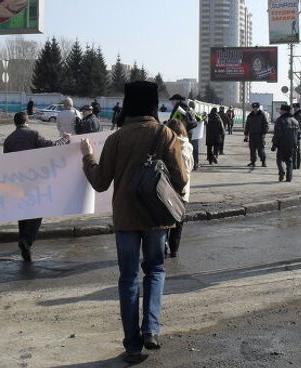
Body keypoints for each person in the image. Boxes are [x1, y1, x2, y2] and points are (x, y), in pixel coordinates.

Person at [81, 81, 187, 363]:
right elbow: (182, 179)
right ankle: (150, 329)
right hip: (156, 217)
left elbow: (101, 182)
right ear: (153, 105)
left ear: (128, 104)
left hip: (126, 218)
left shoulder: (117, 138)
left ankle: (131, 345)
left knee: (128, 279)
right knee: (155, 270)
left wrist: (87, 158)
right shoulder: (165, 134)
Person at [3, 112, 71, 262]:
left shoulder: (8, 140)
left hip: (17, 181)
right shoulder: (33, 134)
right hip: (35, 179)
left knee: (23, 212)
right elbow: (52, 146)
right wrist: (65, 139)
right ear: (27, 121)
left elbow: (5, 164)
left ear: (15, 123)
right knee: (38, 210)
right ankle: (26, 240)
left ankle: (23, 240)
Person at [165, 119, 193, 258]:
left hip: (167, 187)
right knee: (179, 220)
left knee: (164, 219)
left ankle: (162, 247)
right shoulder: (188, 145)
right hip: (183, 188)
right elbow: (190, 167)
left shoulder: (167, 144)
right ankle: (174, 249)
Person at [272, 104, 301, 182]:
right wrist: (296, 142)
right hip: (292, 145)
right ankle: (289, 178)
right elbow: (299, 134)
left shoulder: (280, 120)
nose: (280, 111)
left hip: (282, 144)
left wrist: (274, 144)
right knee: (289, 161)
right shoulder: (295, 121)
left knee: (279, 159)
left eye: (281, 110)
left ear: (284, 111)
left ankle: (281, 172)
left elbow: (277, 134)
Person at [169, 95, 199, 170]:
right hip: (187, 131)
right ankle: (193, 164)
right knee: (187, 147)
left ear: (178, 100)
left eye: (173, 100)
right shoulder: (186, 107)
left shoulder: (179, 108)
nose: (172, 102)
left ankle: (184, 166)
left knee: (182, 149)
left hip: (182, 132)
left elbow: (174, 120)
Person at [244, 102, 269, 167]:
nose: (255, 109)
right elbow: (247, 125)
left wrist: (264, 133)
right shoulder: (250, 115)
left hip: (260, 135)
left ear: (258, 108)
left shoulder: (262, 115)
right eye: (254, 108)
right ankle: (253, 162)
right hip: (252, 135)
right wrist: (246, 135)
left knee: (260, 150)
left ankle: (263, 162)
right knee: (252, 150)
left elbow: (266, 125)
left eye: (256, 108)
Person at [292, 103, 301, 169]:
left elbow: (298, 125)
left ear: (298, 108)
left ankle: (295, 165)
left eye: (295, 107)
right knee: (296, 150)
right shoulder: (300, 114)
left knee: (295, 151)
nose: (294, 109)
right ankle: (296, 165)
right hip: (298, 134)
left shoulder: (298, 115)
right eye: (294, 107)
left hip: (296, 134)